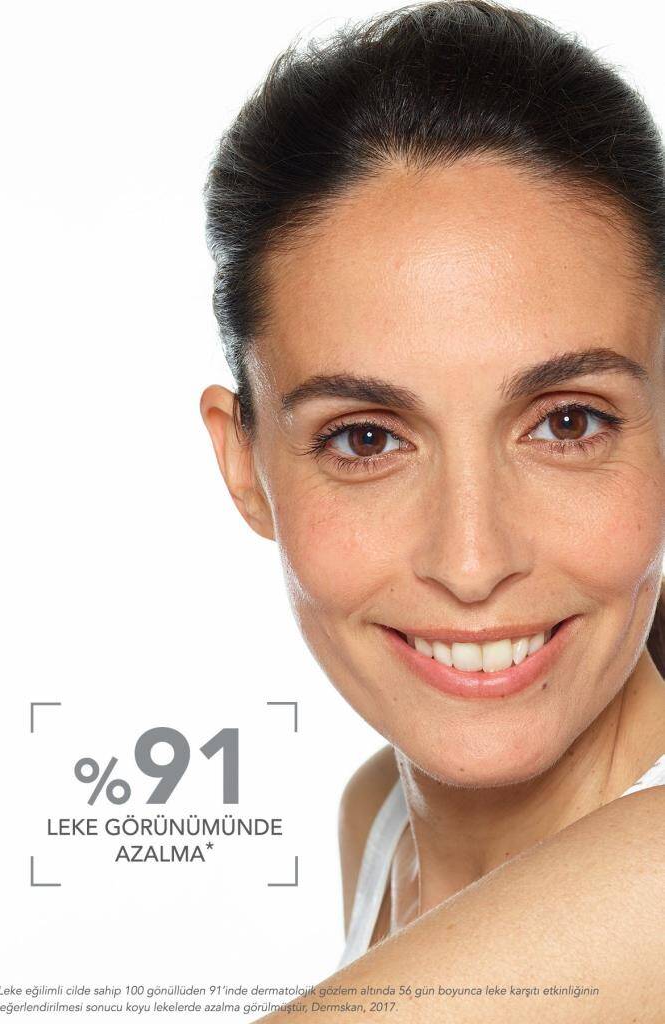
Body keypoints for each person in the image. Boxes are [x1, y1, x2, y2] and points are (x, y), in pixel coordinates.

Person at [199, 0, 665, 1017]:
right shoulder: (376, 817)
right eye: (366, 439)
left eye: (569, 423)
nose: (470, 559)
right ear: (245, 465)